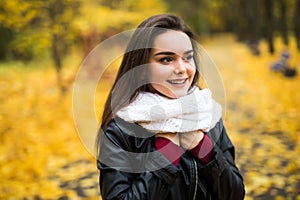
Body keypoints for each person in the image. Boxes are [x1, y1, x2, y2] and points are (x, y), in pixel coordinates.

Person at [96, 14, 245, 200]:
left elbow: (235, 194)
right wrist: (168, 153)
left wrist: (203, 146)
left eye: (187, 58)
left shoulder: (206, 115)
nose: (182, 68)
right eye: (166, 59)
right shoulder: (120, 131)